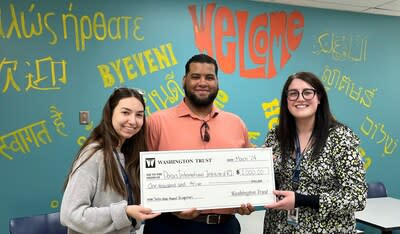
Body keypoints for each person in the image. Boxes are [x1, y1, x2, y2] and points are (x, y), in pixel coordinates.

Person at [144, 54, 254, 234]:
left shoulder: (236, 123)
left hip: (225, 227)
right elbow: (138, 176)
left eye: (209, 77)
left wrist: (248, 199)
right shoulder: (156, 122)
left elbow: (246, 177)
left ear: (217, 82)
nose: (202, 82)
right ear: (184, 80)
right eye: (195, 76)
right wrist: (169, 205)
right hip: (169, 226)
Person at [263, 72, 367, 233]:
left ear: (319, 98)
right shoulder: (275, 136)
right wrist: (260, 172)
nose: (300, 98)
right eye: (293, 93)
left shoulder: (340, 137)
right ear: (286, 100)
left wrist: (303, 200)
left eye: (307, 92)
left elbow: (357, 197)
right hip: (279, 227)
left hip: (326, 229)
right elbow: (271, 186)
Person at [60, 88, 160, 234]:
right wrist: (124, 212)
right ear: (110, 113)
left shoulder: (128, 155)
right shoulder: (94, 154)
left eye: (139, 115)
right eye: (125, 112)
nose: (133, 121)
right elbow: (71, 215)